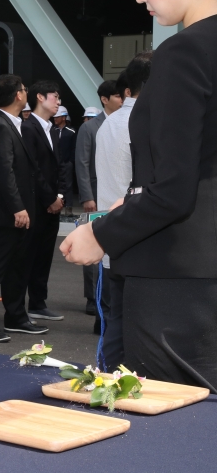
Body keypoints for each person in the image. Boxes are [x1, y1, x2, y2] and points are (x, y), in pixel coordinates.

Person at [61, 0, 217, 390]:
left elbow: (173, 193)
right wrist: (134, 201)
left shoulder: (185, 51)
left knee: (166, 431)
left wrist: (101, 234)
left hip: (175, 280)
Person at [0, 75, 48, 342]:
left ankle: (16, 317)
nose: (25, 93)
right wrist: (18, 207)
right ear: (18, 95)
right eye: (24, 90)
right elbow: (4, 172)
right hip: (4, 213)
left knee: (17, 267)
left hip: (18, 211)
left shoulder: (11, 123)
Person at [94, 52, 153, 369]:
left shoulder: (108, 124)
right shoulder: (148, 122)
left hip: (110, 237)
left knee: (116, 320)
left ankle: (105, 382)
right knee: (139, 326)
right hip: (142, 240)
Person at [74, 79, 124, 316]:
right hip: (95, 196)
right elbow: (82, 164)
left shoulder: (126, 123)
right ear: (105, 99)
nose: (121, 100)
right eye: (117, 96)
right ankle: (92, 298)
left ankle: (109, 297)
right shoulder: (90, 127)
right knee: (93, 246)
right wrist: (87, 195)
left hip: (117, 195)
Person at [21, 81, 66, 322]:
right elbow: (33, 169)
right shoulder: (28, 128)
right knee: (30, 255)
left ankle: (39, 302)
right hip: (36, 204)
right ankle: (25, 304)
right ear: (40, 97)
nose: (58, 102)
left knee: (45, 256)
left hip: (52, 204)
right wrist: (50, 198)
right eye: (55, 97)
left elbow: (59, 167)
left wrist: (60, 196)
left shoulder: (52, 129)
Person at [53, 106, 77, 215]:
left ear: (63, 117)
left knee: (68, 185)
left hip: (67, 163)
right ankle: (56, 205)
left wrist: (71, 162)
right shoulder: (52, 131)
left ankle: (68, 207)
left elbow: (74, 148)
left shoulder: (71, 132)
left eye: (57, 117)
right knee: (55, 184)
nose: (55, 119)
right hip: (55, 164)